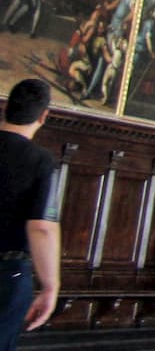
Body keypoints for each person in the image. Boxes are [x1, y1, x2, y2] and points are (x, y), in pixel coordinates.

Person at [0, 79, 57, 350]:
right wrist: (50, 286)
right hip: (6, 273)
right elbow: (41, 228)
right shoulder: (40, 161)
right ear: (44, 115)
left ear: (6, 108)